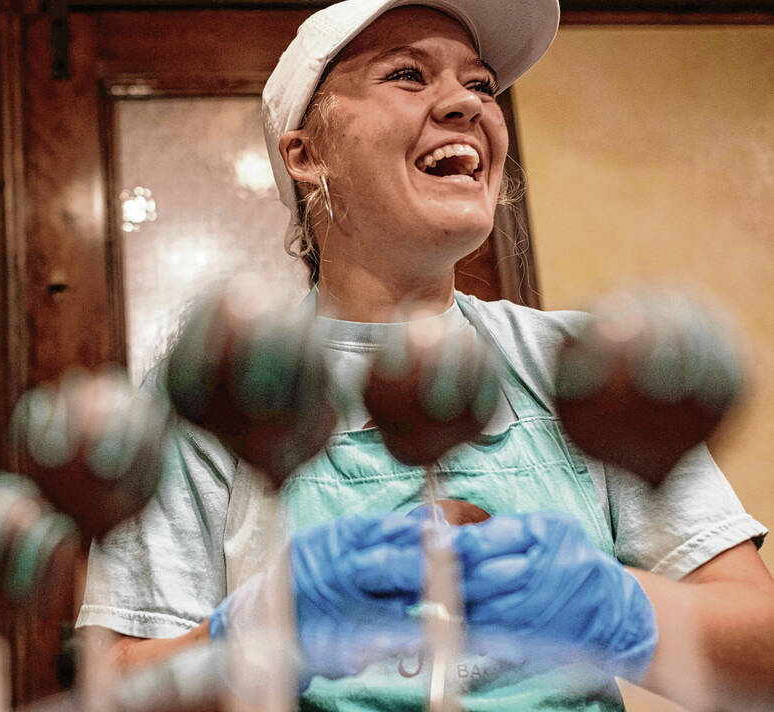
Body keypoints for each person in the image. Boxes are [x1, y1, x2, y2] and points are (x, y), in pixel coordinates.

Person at [76, 0, 774, 709]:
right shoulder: (217, 391)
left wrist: (616, 606)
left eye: (480, 84)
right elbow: (115, 690)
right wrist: (252, 638)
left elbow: (764, 662)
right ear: (305, 155)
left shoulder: (587, 366)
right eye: (408, 74)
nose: (467, 105)